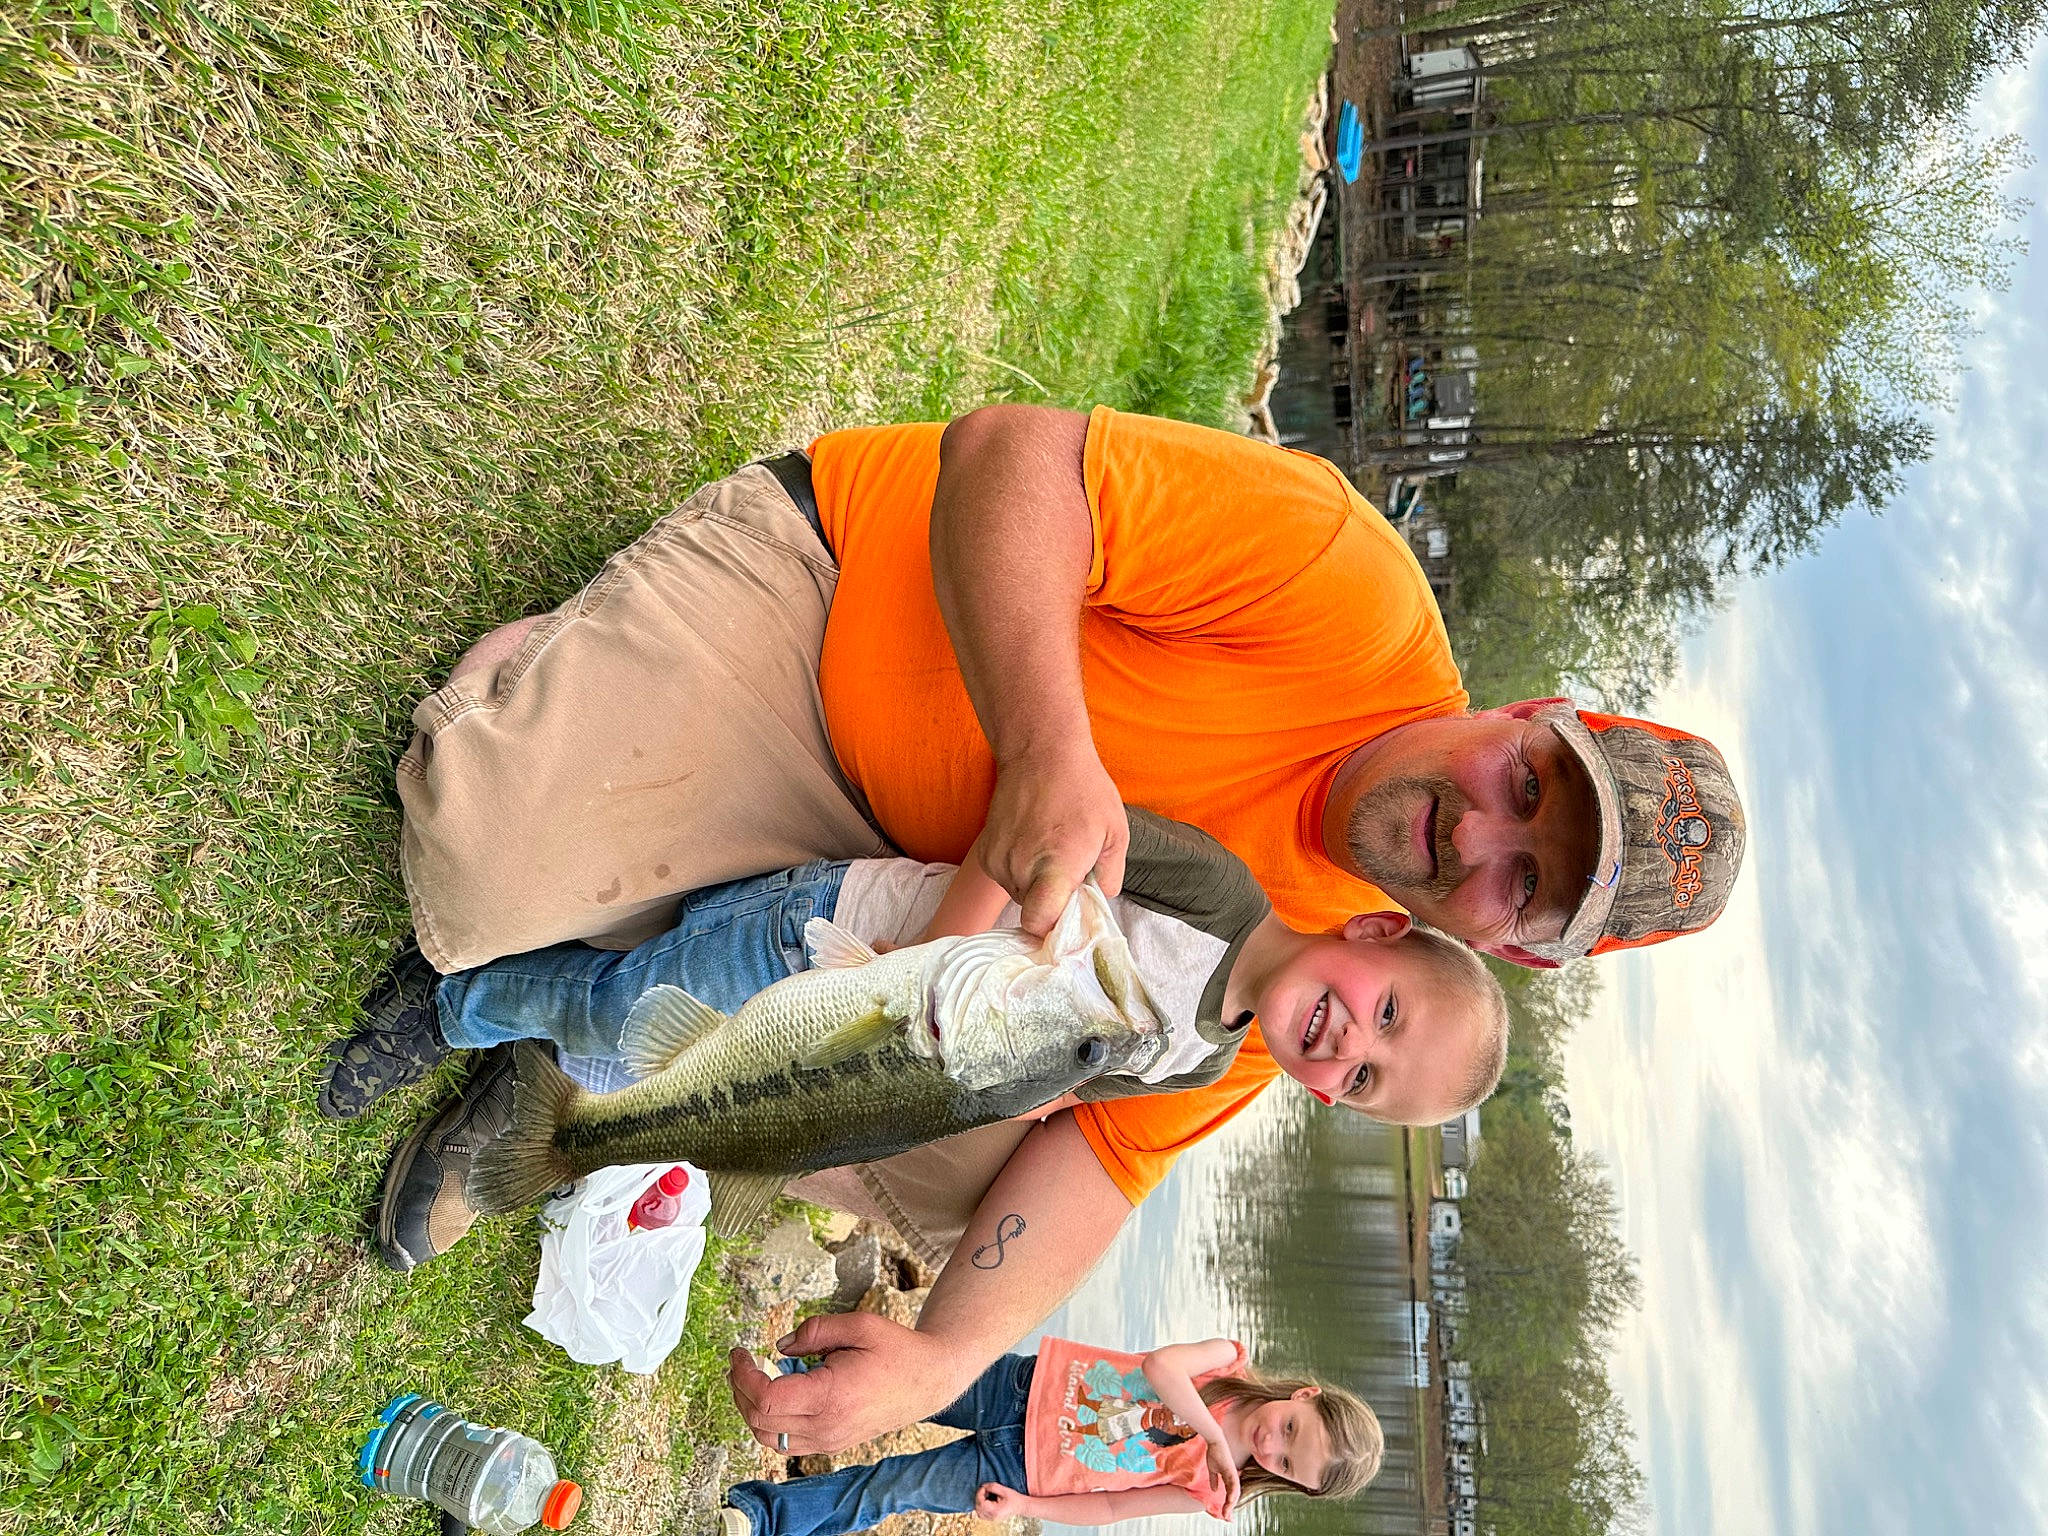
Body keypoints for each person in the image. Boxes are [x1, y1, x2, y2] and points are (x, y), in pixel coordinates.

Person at [338, 404, 1745, 1452]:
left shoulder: (1324, 986)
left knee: (965, 1172)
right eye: (1528, 789)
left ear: (1512, 946)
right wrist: (1043, 747)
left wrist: (939, 1363)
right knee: (463, 872)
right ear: (1527, 717)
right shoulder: (1350, 588)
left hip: (854, 901)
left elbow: (1102, 1164)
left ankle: (574, 1066)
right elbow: (1011, 458)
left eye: (1523, 883)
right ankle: (538, 685)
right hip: (821, 637)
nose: (1477, 837)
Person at [340, 807, 1510, 1269]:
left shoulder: (1204, 1061)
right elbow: (1027, 842)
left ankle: (537, 1098)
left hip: (858, 1062)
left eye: (1361, 1079)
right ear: (1373, 926)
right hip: (833, 945)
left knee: (669, 1058)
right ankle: (448, 1000)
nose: (1347, 1040)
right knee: (619, 1000)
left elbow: (1048, 1095)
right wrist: (912, 990)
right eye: (1386, 1009)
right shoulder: (1209, 889)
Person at [718, 1338, 1382, 1536]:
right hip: (1023, 1387)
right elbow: (1159, 1368)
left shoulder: (1209, 1492)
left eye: (1287, 1463)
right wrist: (1209, 1430)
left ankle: (762, 1514)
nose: (1272, 1446)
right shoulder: (1226, 1365)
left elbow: (1115, 1507)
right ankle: (798, 1382)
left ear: (1291, 1483)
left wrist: (1028, 1508)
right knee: (904, 1385)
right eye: (1291, 1430)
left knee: (892, 1486)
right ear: (1304, 1394)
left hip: (1023, 1468)